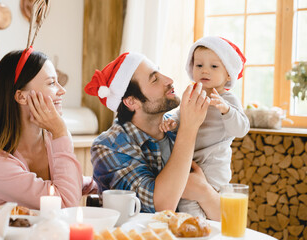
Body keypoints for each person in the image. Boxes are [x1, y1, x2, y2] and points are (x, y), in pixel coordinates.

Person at [84, 52, 220, 220]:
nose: (169, 79)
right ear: (132, 101)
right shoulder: (109, 146)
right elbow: (160, 206)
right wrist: (189, 129)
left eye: (160, 72)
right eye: (154, 79)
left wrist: (204, 192)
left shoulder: (176, 126)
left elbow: (227, 219)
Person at [0, 49, 97, 209]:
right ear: (21, 96)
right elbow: (65, 204)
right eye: (51, 83)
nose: (62, 90)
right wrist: (61, 132)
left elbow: (74, 182)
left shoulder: (50, 140)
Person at [160, 36, 250, 217]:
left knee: (196, 205)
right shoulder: (193, 93)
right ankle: (198, 230)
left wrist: (226, 110)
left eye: (214, 66)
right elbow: (181, 114)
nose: (205, 71)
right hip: (190, 161)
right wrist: (173, 122)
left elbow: (241, 129)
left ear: (228, 74)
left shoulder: (228, 99)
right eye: (199, 65)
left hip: (214, 164)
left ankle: (199, 230)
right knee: (187, 201)